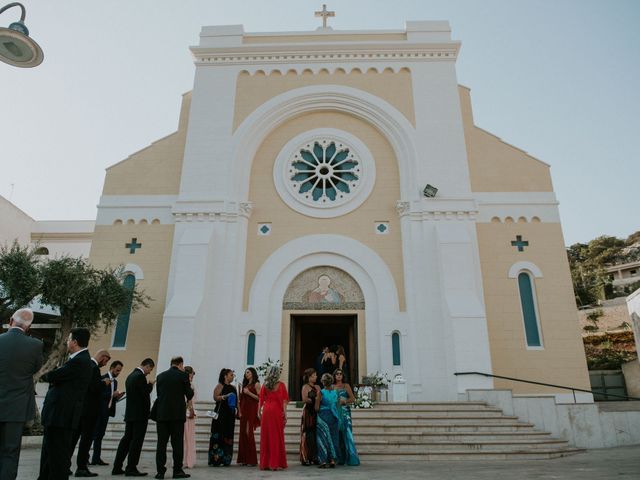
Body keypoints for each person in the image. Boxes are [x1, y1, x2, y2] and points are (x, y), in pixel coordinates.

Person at [38, 327, 93, 480]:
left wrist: (45, 373)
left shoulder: (79, 361)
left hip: (61, 416)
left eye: (68, 340)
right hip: (59, 416)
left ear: (74, 342)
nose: (67, 343)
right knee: (50, 455)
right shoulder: (78, 360)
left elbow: (52, 376)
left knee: (58, 458)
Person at [0, 308, 43, 480]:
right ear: (29, 327)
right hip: (17, 409)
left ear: (11, 320)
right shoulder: (36, 345)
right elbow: (36, 368)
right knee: (11, 453)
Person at [72, 349, 112, 477]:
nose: (105, 364)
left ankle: (66, 465)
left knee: (74, 438)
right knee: (86, 439)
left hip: (80, 409)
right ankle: (82, 467)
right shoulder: (94, 368)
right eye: (106, 361)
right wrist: (104, 383)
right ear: (102, 357)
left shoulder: (86, 365)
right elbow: (94, 388)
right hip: (89, 411)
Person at [112, 358, 155, 477]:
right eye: (150, 369)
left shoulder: (131, 375)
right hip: (139, 416)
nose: (149, 372)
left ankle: (117, 466)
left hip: (130, 414)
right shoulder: (140, 377)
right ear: (146, 366)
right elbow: (144, 393)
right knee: (136, 442)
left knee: (126, 440)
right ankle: (131, 467)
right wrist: (150, 385)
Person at [154, 356, 194, 480]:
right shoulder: (183, 376)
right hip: (176, 415)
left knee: (161, 444)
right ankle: (177, 471)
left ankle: (160, 472)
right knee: (177, 444)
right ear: (180, 364)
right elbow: (189, 394)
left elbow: (159, 394)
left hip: (162, 414)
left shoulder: (160, 376)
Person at [90, 360, 124, 466]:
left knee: (100, 435)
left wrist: (117, 397)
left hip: (106, 412)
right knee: (93, 435)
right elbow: (98, 394)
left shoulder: (116, 382)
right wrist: (111, 395)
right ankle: (85, 457)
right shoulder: (102, 377)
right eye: (117, 370)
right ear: (112, 368)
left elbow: (110, 398)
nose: (118, 373)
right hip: (98, 411)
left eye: (120, 371)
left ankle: (96, 458)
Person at [258, 365, 289, 471]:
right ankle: (274, 463)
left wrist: (259, 412)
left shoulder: (265, 384)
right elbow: (284, 401)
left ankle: (265, 464)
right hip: (276, 411)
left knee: (266, 436)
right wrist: (285, 413)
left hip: (266, 410)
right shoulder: (281, 385)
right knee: (276, 436)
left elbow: (261, 400)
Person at [208, 369, 237, 467]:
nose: (233, 377)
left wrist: (239, 412)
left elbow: (238, 401)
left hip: (230, 415)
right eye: (231, 375)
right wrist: (225, 396)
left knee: (228, 435)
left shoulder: (233, 388)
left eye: (233, 375)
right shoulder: (219, 386)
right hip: (220, 414)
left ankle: (226, 459)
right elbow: (215, 397)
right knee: (218, 435)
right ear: (225, 376)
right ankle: (216, 459)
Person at [333, 368, 360, 466]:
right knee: (338, 435)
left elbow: (353, 398)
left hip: (345, 412)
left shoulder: (346, 385)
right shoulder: (332, 387)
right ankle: (340, 457)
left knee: (347, 433)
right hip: (336, 412)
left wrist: (345, 401)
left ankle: (351, 457)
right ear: (334, 376)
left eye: (340, 374)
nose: (339, 375)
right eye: (337, 374)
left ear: (343, 376)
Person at [237, 367, 260, 466]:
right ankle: (244, 459)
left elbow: (260, 398)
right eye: (245, 372)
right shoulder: (245, 385)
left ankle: (252, 460)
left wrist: (248, 393)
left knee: (248, 432)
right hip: (244, 409)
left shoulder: (257, 384)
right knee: (243, 433)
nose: (246, 374)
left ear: (253, 373)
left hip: (251, 409)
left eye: (248, 372)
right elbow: (241, 399)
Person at [316, 373, 340, 469]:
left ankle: (323, 461)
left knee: (323, 437)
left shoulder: (321, 392)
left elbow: (316, 408)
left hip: (323, 416)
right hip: (334, 416)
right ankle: (332, 460)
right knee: (333, 437)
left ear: (323, 382)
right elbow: (337, 405)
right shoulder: (335, 392)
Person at [299, 368, 320, 466]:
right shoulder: (305, 387)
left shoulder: (318, 386)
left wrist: (316, 399)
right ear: (309, 377)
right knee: (307, 434)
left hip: (316, 411)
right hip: (308, 412)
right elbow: (304, 399)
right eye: (314, 375)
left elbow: (321, 397)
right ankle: (306, 457)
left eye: (316, 375)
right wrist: (313, 399)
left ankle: (315, 457)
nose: (316, 377)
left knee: (315, 434)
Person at [182, 366, 196, 469]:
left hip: (183, 412)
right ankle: (187, 460)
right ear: (190, 374)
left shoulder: (181, 383)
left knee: (184, 438)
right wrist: (191, 410)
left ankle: (184, 460)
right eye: (193, 373)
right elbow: (189, 398)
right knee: (187, 437)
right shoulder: (189, 385)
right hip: (187, 413)